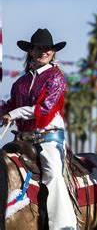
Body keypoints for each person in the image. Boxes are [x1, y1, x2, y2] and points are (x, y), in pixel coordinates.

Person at [1, 28, 77, 229]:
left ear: (52, 52)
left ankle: (64, 225)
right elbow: (10, 106)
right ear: (31, 51)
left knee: (53, 174)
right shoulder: (20, 83)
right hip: (22, 140)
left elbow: (44, 109)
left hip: (48, 139)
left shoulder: (56, 77)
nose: (44, 52)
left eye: (48, 49)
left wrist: (13, 114)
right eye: (39, 48)